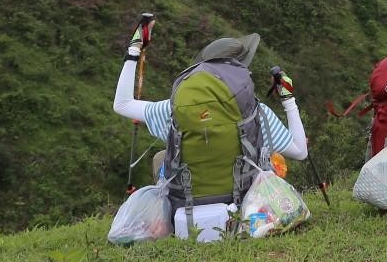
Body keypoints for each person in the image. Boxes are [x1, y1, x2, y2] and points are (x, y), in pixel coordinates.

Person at [113, 29, 309, 242]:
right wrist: (289, 100)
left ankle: (171, 220)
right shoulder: (257, 114)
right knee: (267, 157)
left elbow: (122, 104)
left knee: (162, 156)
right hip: (243, 206)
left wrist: (134, 50)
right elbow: (300, 151)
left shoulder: (173, 110)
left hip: (184, 207)